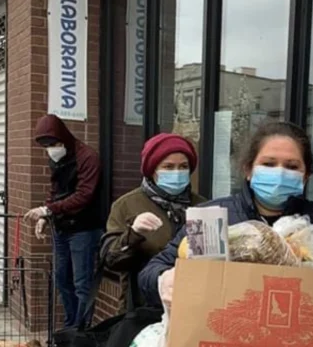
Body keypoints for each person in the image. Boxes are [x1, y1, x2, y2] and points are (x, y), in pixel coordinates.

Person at [139, 121, 313, 347]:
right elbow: (151, 272)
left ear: (306, 175)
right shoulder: (215, 217)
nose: (280, 172)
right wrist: (165, 280)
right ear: (248, 169)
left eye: (291, 165)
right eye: (269, 163)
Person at [105, 133, 206, 308]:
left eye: (183, 166)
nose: (177, 173)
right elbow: (111, 260)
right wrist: (133, 234)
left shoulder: (202, 206)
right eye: (168, 167)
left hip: (191, 304)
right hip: (143, 306)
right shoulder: (126, 205)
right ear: (153, 170)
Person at [24, 114, 103, 328]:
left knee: (82, 283)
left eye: (54, 144)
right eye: (47, 146)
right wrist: (45, 215)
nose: (51, 149)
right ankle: (71, 324)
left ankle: (81, 329)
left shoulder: (87, 157)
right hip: (62, 228)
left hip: (84, 228)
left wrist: (47, 209)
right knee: (61, 279)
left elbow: (83, 196)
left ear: (64, 138)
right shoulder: (57, 158)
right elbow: (55, 190)